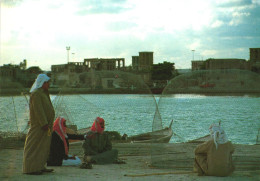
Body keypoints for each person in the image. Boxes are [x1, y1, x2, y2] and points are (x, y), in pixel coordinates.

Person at [23, 74, 55, 175]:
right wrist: (44, 123)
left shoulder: (44, 93)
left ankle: (40, 166)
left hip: (46, 125)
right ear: (42, 83)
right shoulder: (36, 94)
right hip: (39, 125)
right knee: (33, 146)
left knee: (43, 147)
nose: (49, 84)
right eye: (47, 82)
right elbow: (38, 110)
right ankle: (30, 169)